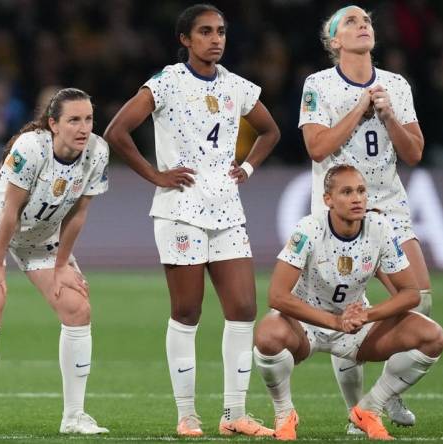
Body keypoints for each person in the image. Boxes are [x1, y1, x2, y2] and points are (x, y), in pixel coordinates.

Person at [103, 4, 280, 438]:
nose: (216, 39)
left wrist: (249, 168)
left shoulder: (237, 86)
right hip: (180, 209)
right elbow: (116, 132)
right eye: (205, 32)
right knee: (188, 310)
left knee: (243, 308)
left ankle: (234, 413)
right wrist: (155, 176)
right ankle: (187, 415)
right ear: (185, 40)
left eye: (220, 31)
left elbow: (270, 131)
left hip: (226, 208)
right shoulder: (166, 82)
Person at [298, 5, 429, 432]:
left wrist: (388, 114)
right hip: (337, 212)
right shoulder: (318, 85)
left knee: (419, 302)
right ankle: (358, 412)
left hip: (389, 207)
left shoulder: (396, 85)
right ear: (334, 41)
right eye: (351, 22)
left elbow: (414, 153)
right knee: (344, 318)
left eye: (367, 20)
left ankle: (383, 398)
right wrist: (359, 108)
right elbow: (317, 148)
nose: (363, 25)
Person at [253, 164, 443, 440]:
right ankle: (285, 414)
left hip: (355, 326)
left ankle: (369, 408)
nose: (357, 198)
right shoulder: (309, 228)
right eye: (346, 192)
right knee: (268, 335)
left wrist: (367, 315)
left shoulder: (379, 227)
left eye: (361, 191)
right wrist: (334, 321)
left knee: (432, 336)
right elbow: (277, 296)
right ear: (327, 199)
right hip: (307, 326)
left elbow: (410, 294)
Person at [0, 88, 109, 435]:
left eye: (88, 119)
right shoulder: (31, 148)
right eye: (74, 120)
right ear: (54, 124)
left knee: (77, 308)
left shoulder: (98, 152)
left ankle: (74, 417)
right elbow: (10, 210)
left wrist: (61, 266)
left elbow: (78, 214)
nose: (83, 127)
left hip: (40, 235)